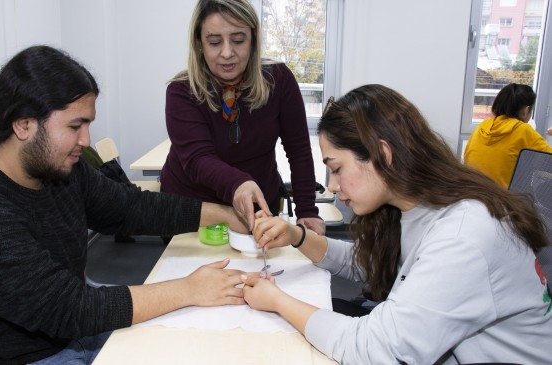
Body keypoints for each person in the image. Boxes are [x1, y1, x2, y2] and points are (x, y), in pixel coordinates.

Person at [0, 45, 251, 365]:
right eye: (74, 126)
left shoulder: (58, 170)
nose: (85, 140)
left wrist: (225, 215)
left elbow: (129, 208)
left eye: (87, 125)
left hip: (68, 334)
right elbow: (68, 310)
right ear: (23, 124)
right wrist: (188, 290)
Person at [241, 84, 551, 364]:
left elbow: (375, 350)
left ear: (383, 154)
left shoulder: (463, 235)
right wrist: (297, 236)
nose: (332, 186)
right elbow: (370, 264)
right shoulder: (413, 207)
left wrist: (277, 300)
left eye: (336, 169)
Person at [160, 0, 325, 234]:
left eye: (238, 40)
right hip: (194, 210)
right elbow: (198, 159)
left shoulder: (279, 80)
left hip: (257, 210)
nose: (227, 53)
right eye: (214, 42)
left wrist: (307, 210)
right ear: (199, 43)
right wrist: (239, 183)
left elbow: (298, 150)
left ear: (254, 39)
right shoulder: (181, 91)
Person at [464, 83, 552, 188]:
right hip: (502, 198)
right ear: (526, 110)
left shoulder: (483, 125)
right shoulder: (523, 130)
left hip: (471, 191)